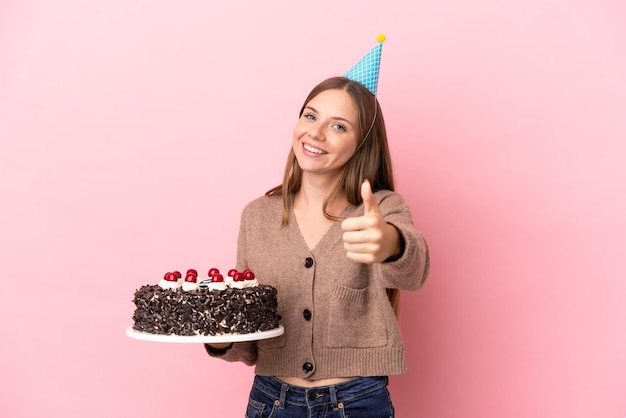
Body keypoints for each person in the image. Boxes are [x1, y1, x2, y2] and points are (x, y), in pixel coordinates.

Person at [205, 38, 429, 418]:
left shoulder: (382, 208)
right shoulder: (257, 217)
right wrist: (223, 339)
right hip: (271, 400)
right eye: (310, 116)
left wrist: (389, 243)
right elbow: (252, 340)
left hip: (358, 401)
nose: (316, 133)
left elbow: (414, 268)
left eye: (338, 126)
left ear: (361, 144)